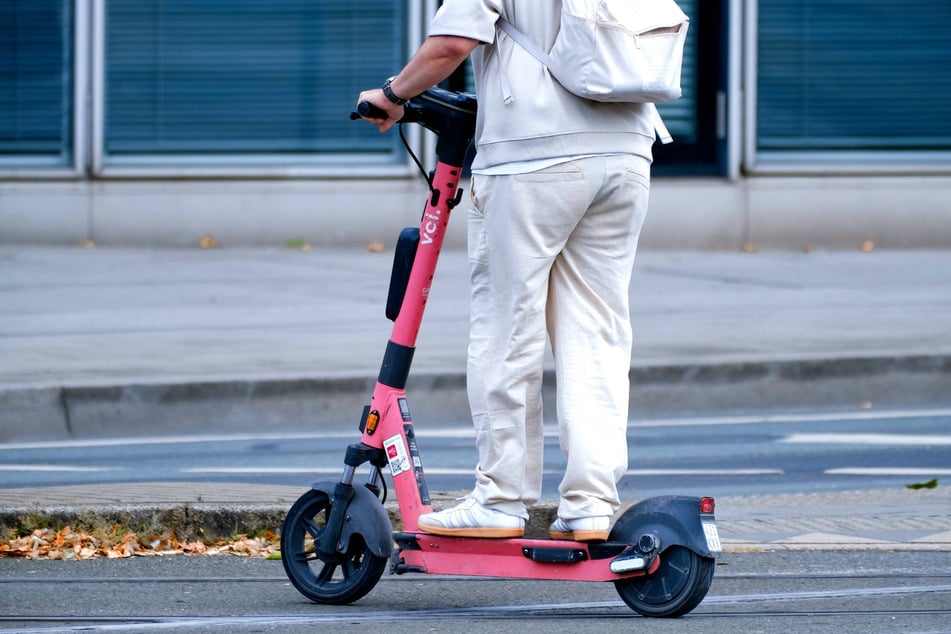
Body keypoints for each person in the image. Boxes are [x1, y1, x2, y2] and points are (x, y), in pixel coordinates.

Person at [358, 0, 658, 542]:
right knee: (597, 333)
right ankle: (591, 503)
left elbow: (452, 43)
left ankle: (500, 497)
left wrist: (393, 94)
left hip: (533, 157)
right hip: (627, 154)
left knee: (507, 330)